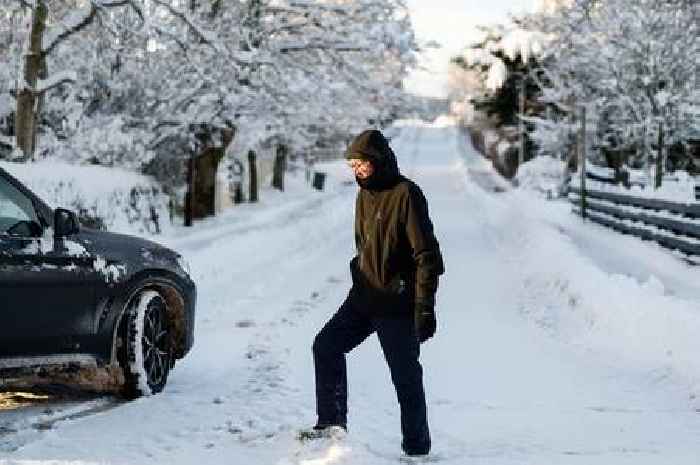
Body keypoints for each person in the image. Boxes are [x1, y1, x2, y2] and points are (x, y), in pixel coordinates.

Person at [304, 129, 445, 457]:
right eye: (352, 165)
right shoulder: (363, 195)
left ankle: (416, 448)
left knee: (405, 376)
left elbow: (428, 257)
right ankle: (331, 425)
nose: (357, 170)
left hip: (396, 303)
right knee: (325, 346)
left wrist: (424, 308)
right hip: (364, 296)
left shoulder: (406, 194)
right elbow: (365, 245)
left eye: (361, 164)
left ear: (378, 160)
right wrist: (361, 272)